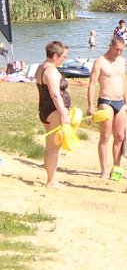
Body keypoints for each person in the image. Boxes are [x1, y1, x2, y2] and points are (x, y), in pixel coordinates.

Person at [87, 36, 127, 179]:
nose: (119, 53)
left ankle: (116, 168)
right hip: (106, 101)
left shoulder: (121, 61)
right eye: (117, 49)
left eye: (122, 50)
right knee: (105, 136)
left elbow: (124, 81)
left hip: (120, 102)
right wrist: (90, 105)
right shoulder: (100, 61)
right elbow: (92, 83)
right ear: (111, 45)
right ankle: (104, 169)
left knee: (120, 136)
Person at [36, 40, 71, 188]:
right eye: (63, 57)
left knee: (50, 146)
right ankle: (51, 181)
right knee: (53, 147)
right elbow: (55, 95)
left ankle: (52, 178)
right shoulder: (51, 71)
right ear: (55, 56)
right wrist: (63, 114)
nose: (64, 60)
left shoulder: (41, 67)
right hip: (54, 112)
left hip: (45, 110)